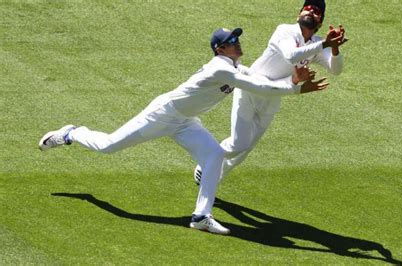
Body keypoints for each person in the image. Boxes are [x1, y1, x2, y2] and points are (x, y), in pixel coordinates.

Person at [38, 27, 329, 235]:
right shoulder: (220, 68)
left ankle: (201, 216)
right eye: (231, 41)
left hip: (187, 122)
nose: (238, 43)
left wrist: (294, 82)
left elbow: (259, 80)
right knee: (109, 146)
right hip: (163, 115)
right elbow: (259, 86)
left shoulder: (237, 66)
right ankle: (71, 133)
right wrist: (295, 88)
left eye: (237, 39)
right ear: (220, 49)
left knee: (214, 156)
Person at [194, 0, 348, 185]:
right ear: (298, 15)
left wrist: (335, 48)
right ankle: (206, 162)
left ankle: (212, 180)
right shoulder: (285, 30)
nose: (310, 11)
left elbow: (335, 69)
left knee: (245, 150)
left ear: (320, 23)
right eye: (306, 8)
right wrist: (325, 44)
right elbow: (291, 55)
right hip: (251, 87)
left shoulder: (316, 44)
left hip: (273, 97)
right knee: (238, 144)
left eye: (316, 11)